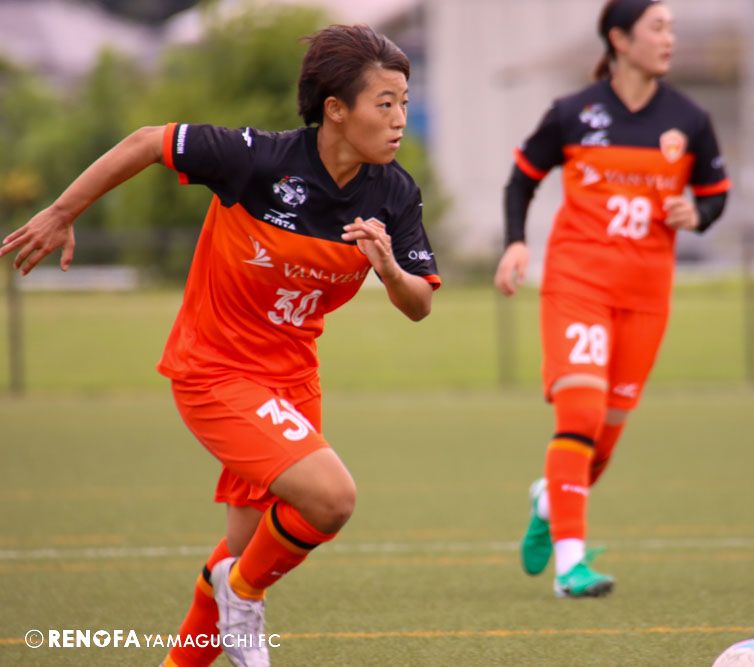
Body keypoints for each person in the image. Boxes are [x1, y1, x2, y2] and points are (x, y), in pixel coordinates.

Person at [1, 24, 439, 666]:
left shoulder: (394, 192)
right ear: (336, 109)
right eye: (386, 102)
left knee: (242, 546)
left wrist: (389, 269)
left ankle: (206, 625)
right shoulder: (258, 159)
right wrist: (63, 211)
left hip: (292, 381)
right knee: (330, 500)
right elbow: (148, 142)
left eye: (404, 101)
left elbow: (419, 304)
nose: (400, 118)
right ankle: (242, 592)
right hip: (216, 372)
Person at [493, 0, 730, 598]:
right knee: (580, 415)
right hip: (579, 283)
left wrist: (697, 214)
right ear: (620, 40)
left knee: (601, 444)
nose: (669, 38)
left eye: (672, 28)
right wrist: (517, 242)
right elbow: (522, 178)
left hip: (646, 297)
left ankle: (549, 502)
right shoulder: (573, 113)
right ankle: (570, 569)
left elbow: (715, 193)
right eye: (658, 27)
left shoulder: (690, 120)